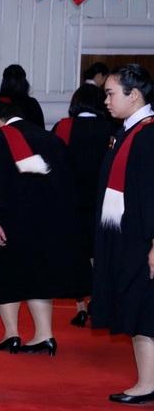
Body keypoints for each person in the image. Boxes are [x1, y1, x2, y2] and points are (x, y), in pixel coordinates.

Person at [0, 102, 90, 357]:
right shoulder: (50, 139)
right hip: (50, 222)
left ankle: (11, 334)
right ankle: (44, 335)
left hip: (11, 221)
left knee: (5, 275)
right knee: (40, 276)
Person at [91, 64, 154, 404]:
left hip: (142, 240)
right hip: (126, 237)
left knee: (145, 309)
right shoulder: (128, 131)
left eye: (111, 93)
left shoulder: (148, 134)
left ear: (134, 95)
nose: (106, 101)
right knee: (136, 306)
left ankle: (147, 384)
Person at [52, 84, 114, 327]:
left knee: (78, 254)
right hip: (103, 202)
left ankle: (81, 306)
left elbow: (55, 164)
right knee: (99, 253)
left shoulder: (64, 127)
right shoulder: (111, 128)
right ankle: (100, 301)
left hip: (72, 200)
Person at [0, 64, 45, 133]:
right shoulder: (32, 104)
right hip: (26, 143)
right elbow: (41, 132)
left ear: (4, 82)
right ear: (24, 83)